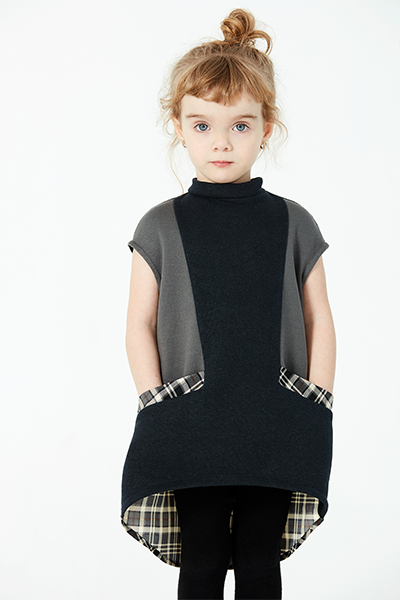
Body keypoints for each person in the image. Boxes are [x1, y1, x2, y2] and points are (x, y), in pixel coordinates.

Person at [121, 8, 336, 600]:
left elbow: (319, 317)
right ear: (178, 126)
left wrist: (316, 403)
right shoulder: (159, 225)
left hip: (278, 417)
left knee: (261, 561)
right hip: (191, 419)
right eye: (203, 124)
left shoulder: (294, 222)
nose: (221, 141)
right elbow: (138, 323)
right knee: (203, 558)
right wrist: (157, 403)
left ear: (267, 127)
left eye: (240, 125)